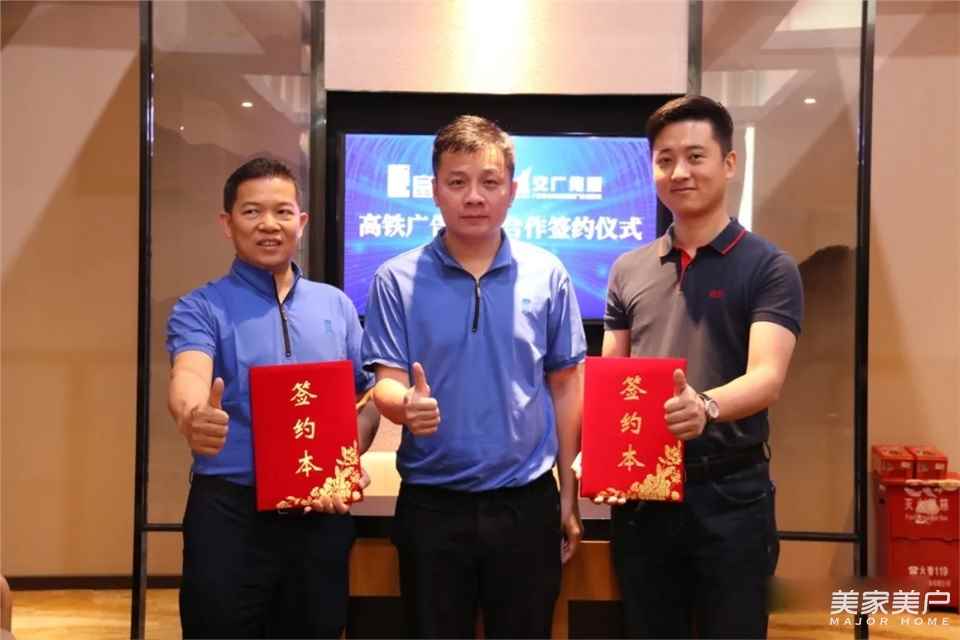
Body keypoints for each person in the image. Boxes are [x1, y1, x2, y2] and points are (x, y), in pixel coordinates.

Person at [361, 115, 586, 638]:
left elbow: (564, 386)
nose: (474, 197)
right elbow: (385, 381)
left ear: (513, 190)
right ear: (434, 190)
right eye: (457, 182)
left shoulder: (547, 274)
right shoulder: (395, 278)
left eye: (489, 182)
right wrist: (404, 405)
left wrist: (568, 495)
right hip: (431, 506)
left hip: (526, 502)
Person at [602, 95, 803, 638]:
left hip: (730, 494)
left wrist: (706, 406)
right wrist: (598, 457)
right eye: (665, 160)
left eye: (695, 156)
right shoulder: (628, 268)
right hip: (643, 496)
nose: (679, 172)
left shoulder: (770, 267)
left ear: (728, 163)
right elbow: (613, 379)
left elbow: (767, 377)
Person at [166, 157, 378, 638]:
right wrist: (193, 414)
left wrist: (348, 456)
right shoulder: (202, 306)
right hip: (230, 515)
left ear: (301, 222)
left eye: (282, 212)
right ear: (227, 223)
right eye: (252, 211)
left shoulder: (337, 305)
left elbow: (363, 401)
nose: (269, 224)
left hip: (319, 518)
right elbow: (190, 373)